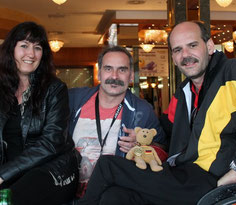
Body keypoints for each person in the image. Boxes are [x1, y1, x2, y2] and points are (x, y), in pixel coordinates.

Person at [77, 21, 236, 205]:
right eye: (177, 50)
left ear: (209, 46)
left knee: (107, 165)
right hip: (182, 174)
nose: (185, 55)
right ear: (173, 58)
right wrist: (143, 139)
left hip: (213, 179)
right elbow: (164, 133)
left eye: (192, 45)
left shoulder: (235, 73)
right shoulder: (184, 93)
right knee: (115, 196)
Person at [0, 21, 79, 205]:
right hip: (12, 171)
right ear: (11, 49)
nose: (31, 54)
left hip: (53, 170)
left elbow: (51, 143)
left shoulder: (55, 89)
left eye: (37, 48)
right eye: (24, 46)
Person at [68, 46, 166, 197]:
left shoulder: (142, 111)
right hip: (67, 192)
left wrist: (141, 146)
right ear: (99, 73)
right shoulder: (74, 99)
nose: (114, 76)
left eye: (122, 70)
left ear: (131, 76)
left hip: (113, 195)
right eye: (108, 68)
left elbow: (162, 152)